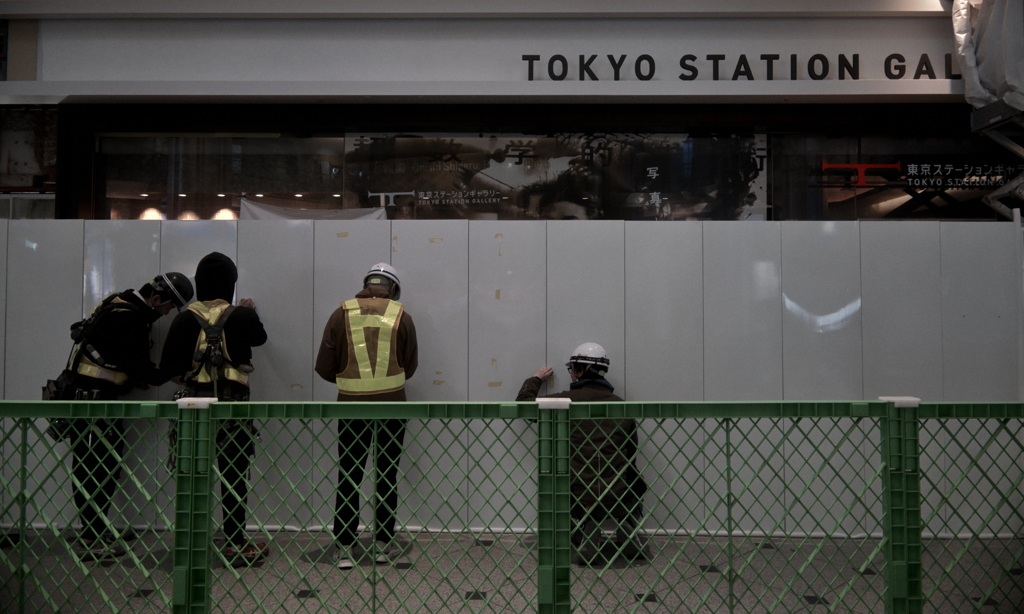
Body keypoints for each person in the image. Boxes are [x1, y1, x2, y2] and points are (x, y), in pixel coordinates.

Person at [45, 272, 194, 561]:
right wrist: (168, 374)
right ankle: (91, 539)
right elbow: (139, 366)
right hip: (95, 408)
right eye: (166, 308)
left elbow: (116, 357)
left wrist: (130, 376)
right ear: (156, 298)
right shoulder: (131, 318)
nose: (165, 315)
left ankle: (97, 529)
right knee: (95, 471)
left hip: (92, 403)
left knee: (101, 467)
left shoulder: (119, 301)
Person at [159, 252, 269, 568]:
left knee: (192, 475)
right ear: (231, 285)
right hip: (232, 410)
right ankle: (234, 543)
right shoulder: (242, 316)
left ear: (199, 283)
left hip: (193, 409)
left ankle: (191, 542)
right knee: (234, 477)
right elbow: (259, 339)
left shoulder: (183, 318)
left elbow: (168, 367)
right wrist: (250, 312)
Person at [315, 263, 418, 570]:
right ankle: (383, 545)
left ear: (365, 285)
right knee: (386, 475)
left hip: (350, 407)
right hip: (393, 409)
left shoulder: (341, 313)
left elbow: (323, 366)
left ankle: (344, 547)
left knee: (349, 475)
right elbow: (409, 367)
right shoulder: (402, 316)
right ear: (393, 288)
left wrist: (350, 382)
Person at [516, 342, 647, 565]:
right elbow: (630, 452)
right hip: (618, 494)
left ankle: (584, 526)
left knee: (561, 475)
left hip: (578, 494)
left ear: (580, 371)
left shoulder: (564, 404)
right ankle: (627, 523)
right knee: (631, 475)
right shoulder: (622, 407)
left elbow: (523, 406)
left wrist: (536, 378)